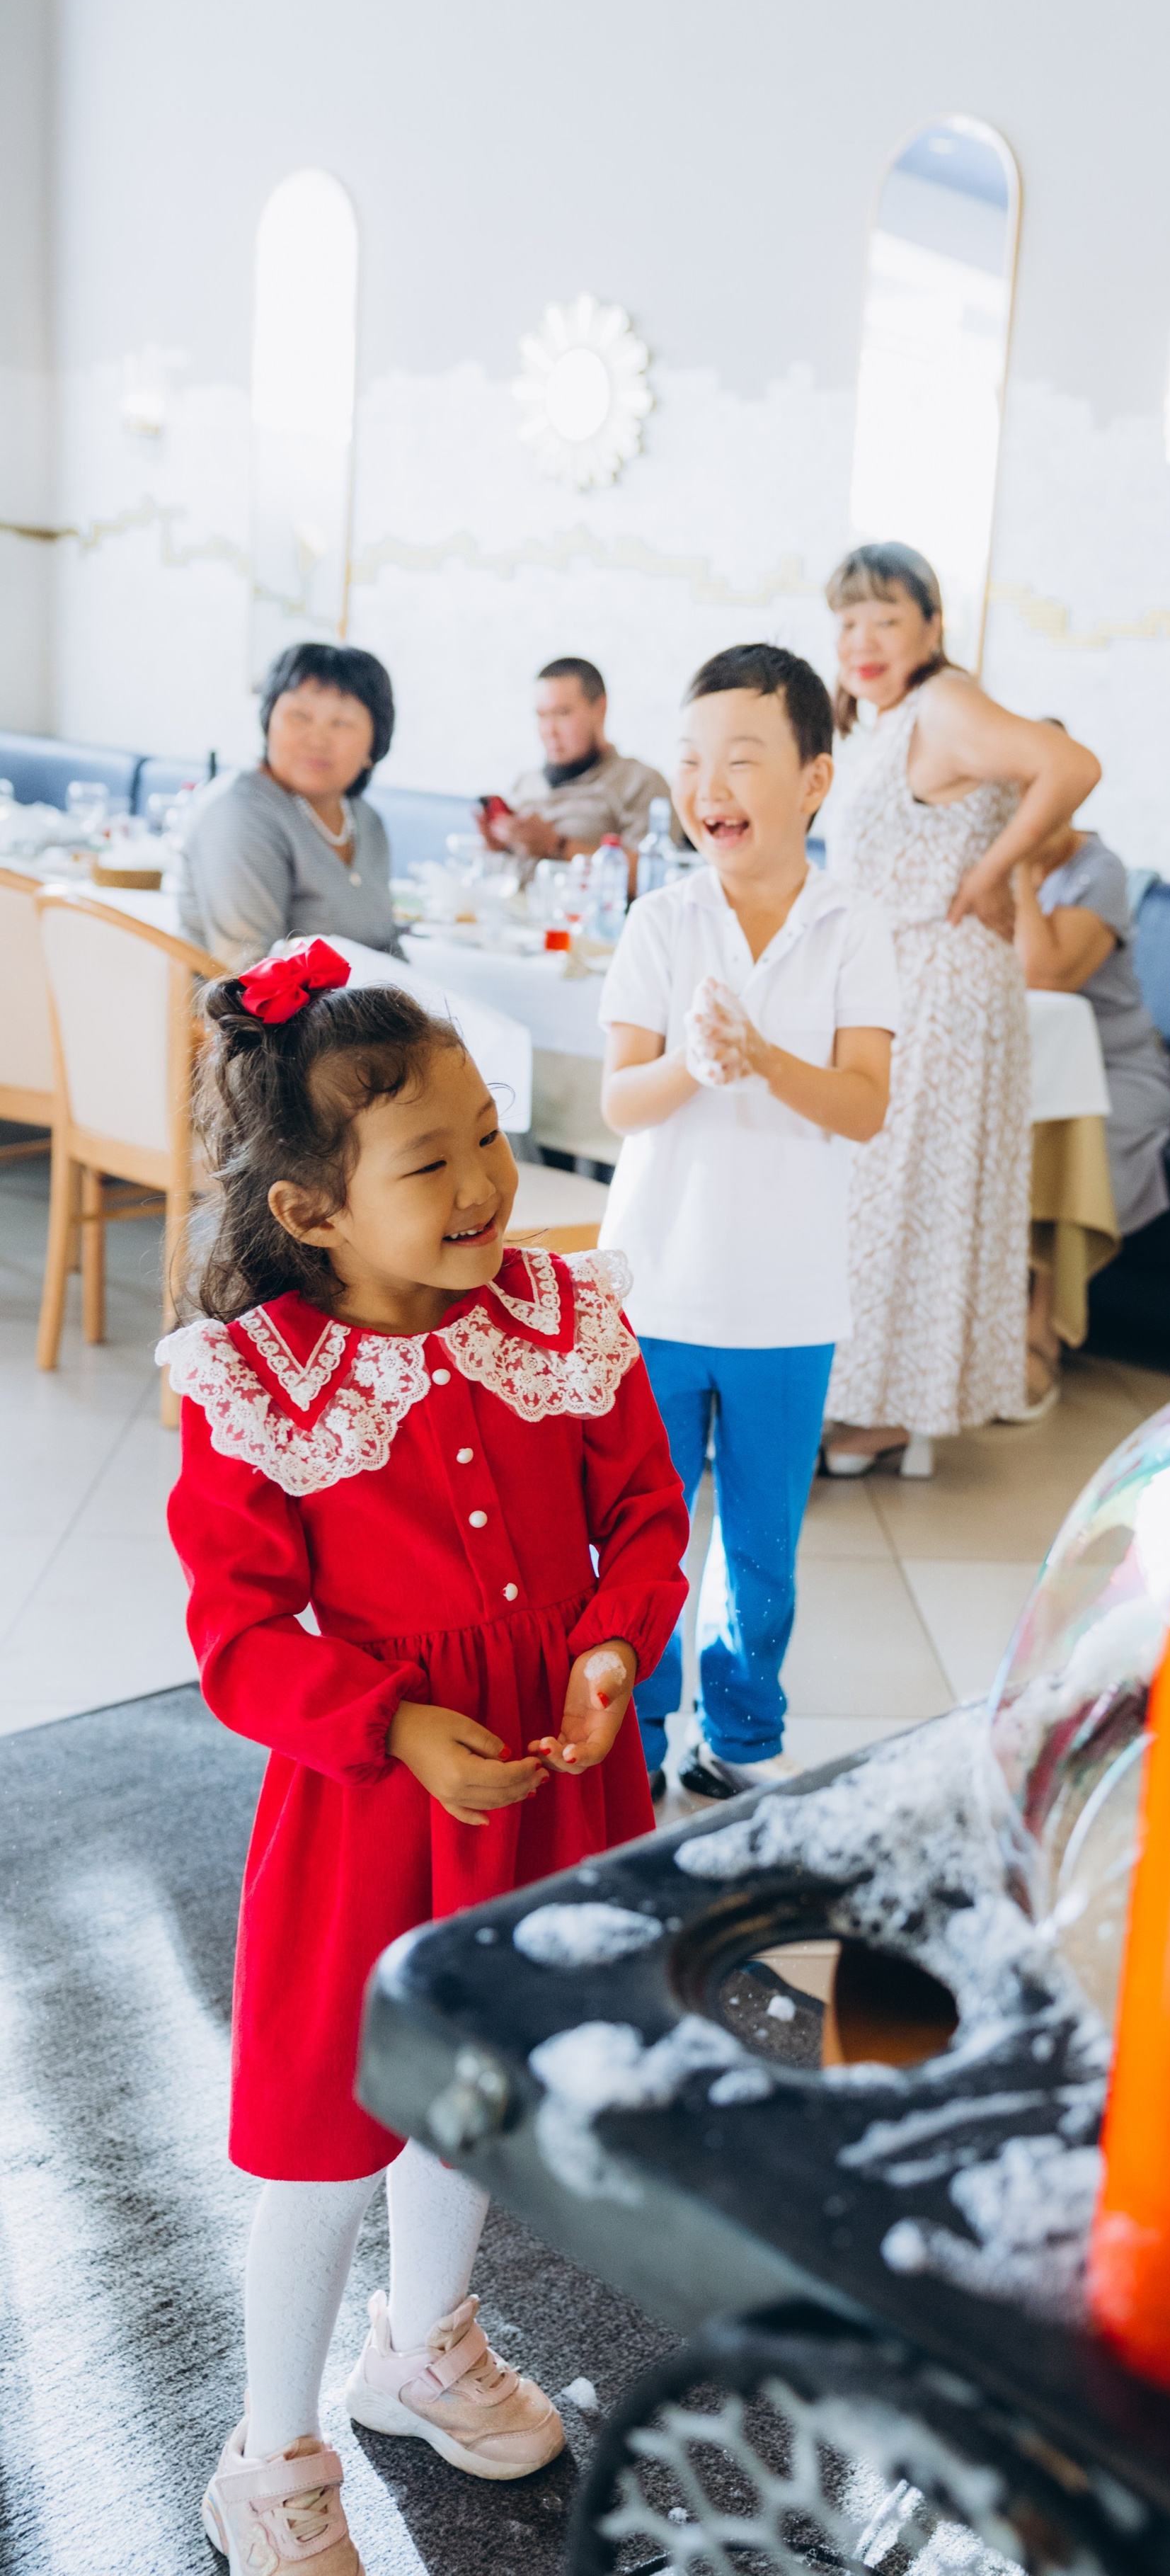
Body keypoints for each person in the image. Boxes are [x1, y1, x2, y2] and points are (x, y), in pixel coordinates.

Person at [159, 941, 689, 2576]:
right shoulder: (256, 1388)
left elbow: (643, 1515)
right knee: (332, 2137)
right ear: (310, 1210)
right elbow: (242, 1635)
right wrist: (385, 1719)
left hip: (548, 1786)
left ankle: (422, 2345)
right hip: (373, 1818)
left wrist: (609, 1649)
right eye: (429, 1157)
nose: (482, 1182)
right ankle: (271, 2450)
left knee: (471, 2096)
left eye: (488, 1134)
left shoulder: (565, 1313)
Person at [598, 643, 897, 1799]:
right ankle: (637, 1731)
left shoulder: (852, 928)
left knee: (761, 1550)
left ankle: (741, 1733)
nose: (707, 784)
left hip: (788, 1301)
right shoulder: (662, 923)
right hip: (658, 1288)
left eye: (742, 759)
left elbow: (864, 1107)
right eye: (691, 760)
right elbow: (624, 1098)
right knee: (645, 1538)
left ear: (815, 782)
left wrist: (766, 1060)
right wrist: (692, 1060)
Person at [818, 544, 1100, 1471]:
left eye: (886, 619)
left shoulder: (944, 701)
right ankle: (867, 1393)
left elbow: (1069, 763)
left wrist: (988, 871)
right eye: (849, 621)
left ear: (932, 628)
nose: (863, 640)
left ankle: (891, 1406)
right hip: (899, 974)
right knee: (883, 1197)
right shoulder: (889, 719)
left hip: (940, 980)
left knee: (904, 1195)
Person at [1013, 803, 1170, 1386]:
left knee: (1079, 1153)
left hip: (1117, 1069)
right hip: (1024, 1067)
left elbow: (1047, 974)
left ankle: (1043, 1335)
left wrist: (1015, 872)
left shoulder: (1098, 870)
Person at [176, 642, 401, 973]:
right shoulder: (239, 812)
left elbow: (390, 951)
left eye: (341, 723)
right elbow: (251, 975)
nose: (317, 739)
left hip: (364, 1016)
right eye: (300, 716)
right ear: (268, 723)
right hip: (264, 1022)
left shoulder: (366, 821)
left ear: (374, 743)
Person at [481, 655, 670, 867]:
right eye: (542, 716)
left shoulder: (640, 783)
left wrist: (557, 845)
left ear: (600, 709)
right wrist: (498, 848)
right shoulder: (525, 783)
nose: (549, 731)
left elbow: (654, 874)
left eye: (562, 713)